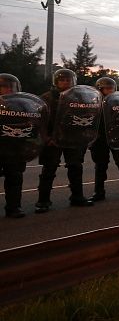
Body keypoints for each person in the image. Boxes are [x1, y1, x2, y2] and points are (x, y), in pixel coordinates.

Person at [36, 68, 96, 212]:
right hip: (53, 140)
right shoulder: (46, 98)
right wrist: (46, 138)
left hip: (73, 139)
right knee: (49, 170)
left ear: (73, 81)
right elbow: (39, 121)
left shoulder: (80, 98)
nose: (65, 82)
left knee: (75, 167)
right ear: (56, 82)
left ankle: (77, 196)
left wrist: (85, 136)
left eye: (68, 80)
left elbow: (87, 117)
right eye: (62, 80)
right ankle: (43, 201)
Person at [0, 73, 45, 218]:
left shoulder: (24, 104)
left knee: (15, 177)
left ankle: (13, 207)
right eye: (3, 87)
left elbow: (34, 124)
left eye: (9, 87)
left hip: (15, 147)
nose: (7, 90)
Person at [89, 77, 119, 201]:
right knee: (100, 166)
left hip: (118, 136)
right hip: (101, 139)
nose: (109, 90)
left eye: (111, 88)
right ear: (100, 89)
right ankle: (99, 193)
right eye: (107, 88)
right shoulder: (94, 102)